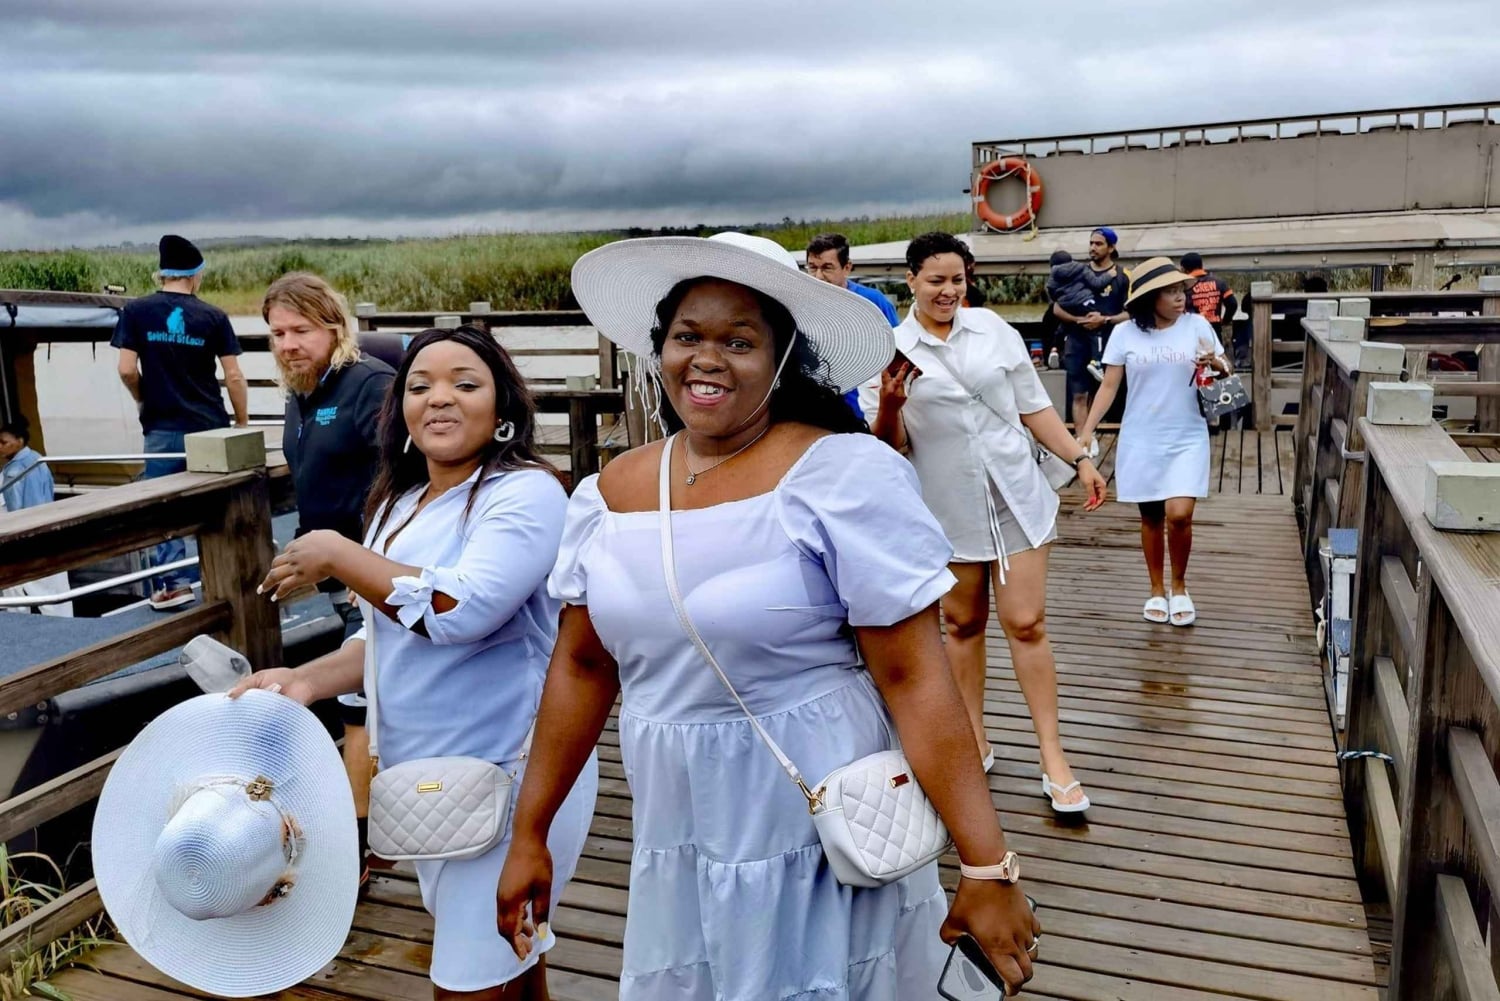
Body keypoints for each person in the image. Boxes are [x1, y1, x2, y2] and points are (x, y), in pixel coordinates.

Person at [497, 232, 1042, 999]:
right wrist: (530, 831)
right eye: (687, 336)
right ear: (660, 350)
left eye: (739, 340)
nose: (707, 358)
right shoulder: (611, 490)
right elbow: (583, 665)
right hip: (676, 820)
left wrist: (987, 865)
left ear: (783, 358)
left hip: (816, 816)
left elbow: (916, 677)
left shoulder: (840, 474)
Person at [232, 325, 598, 999]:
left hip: (511, 775)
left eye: (466, 383)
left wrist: (340, 554)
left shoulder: (527, 493)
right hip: (434, 782)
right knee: (514, 966)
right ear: (399, 406)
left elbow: (460, 611)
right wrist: (306, 679)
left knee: (467, 982)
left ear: (504, 409)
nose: (440, 399)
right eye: (421, 385)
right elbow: (386, 635)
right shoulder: (399, 504)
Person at [863, 231, 1106, 816]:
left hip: (1015, 496)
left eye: (957, 280)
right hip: (946, 509)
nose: (948, 291)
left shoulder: (995, 331)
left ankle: (1054, 756)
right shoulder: (891, 347)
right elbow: (887, 447)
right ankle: (974, 739)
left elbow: (1034, 407)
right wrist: (893, 402)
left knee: (1026, 623)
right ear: (911, 282)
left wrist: (1080, 457)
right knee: (963, 627)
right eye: (936, 280)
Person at [263, 271, 396, 889]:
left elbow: (410, 476)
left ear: (335, 326)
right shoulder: (300, 393)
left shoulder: (371, 386)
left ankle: (358, 852)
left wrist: (364, 562)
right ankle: (376, 839)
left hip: (372, 573)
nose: (288, 343)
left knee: (358, 713)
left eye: (301, 330)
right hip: (333, 573)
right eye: (277, 333)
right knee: (365, 706)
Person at [1076, 258, 1231, 628]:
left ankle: (1180, 587)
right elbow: (1110, 385)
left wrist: (1215, 362)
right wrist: (1087, 430)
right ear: (1150, 298)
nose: (1181, 298)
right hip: (1141, 435)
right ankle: (1156, 589)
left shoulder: (1197, 326)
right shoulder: (1126, 333)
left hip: (1187, 434)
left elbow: (1226, 368)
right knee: (1150, 516)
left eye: (1182, 292)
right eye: (1172, 292)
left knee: (1179, 514)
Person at [112, 235, 248, 610]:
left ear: (163, 274)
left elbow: (125, 369)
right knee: (221, 502)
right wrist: (241, 421)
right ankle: (234, 574)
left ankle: (175, 585)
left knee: (164, 507)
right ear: (195, 275)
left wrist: (144, 398)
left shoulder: (136, 311)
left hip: (162, 428)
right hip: (211, 426)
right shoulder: (214, 316)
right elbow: (234, 376)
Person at [804, 232, 900, 415]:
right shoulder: (801, 305)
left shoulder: (873, 302)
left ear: (847, 268)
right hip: (818, 409)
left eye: (827, 268)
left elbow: (897, 351)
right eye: (812, 268)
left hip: (865, 408)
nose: (818, 276)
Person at [1052, 227, 1129, 423]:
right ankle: (1083, 442)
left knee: (1107, 393)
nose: (1093, 248)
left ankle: (1095, 432)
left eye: (1099, 244)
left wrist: (1104, 319)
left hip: (1110, 345)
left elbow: (1131, 314)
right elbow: (1056, 309)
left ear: (1111, 248)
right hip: (1077, 342)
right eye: (1091, 243)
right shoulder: (1075, 271)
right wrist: (1080, 320)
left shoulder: (1123, 276)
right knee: (1079, 395)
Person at [0, 419, 71, 615]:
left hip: (27, 534)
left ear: (20, 441)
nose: (0, 447)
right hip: (48, 528)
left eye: (3, 442)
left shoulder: (14, 470)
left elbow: (18, 511)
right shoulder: (37, 459)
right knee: (56, 588)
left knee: (17, 587)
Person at [1181, 252, 1238, 344]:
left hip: (1192, 331)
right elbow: (1232, 304)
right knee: (1216, 356)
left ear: (1184, 269)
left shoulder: (1184, 286)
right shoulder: (1219, 283)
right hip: (1214, 330)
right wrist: (1225, 320)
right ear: (1201, 265)